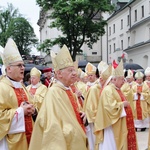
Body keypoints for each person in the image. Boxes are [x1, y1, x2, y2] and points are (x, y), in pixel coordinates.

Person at [29, 45, 88, 150]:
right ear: (59, 73)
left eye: (74, 70)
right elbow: (52, 127)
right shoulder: (54, 93)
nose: (75, 73)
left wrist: (82, 115)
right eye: (70, 70)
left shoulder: (67, 89)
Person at [0, 38, 36, 150]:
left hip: (29, 135)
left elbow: (33, 103)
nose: (23, 68)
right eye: (19, 65)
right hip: (10, 142)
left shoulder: (22, 87)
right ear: (9, 68)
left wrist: (33, 110)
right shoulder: (2, 87)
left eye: (23, 65)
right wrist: (21, 112)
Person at [94, 60, 137, 150]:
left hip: (120, 124)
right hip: (112, 126)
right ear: (114, 79)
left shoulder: (117, 89)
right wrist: (122, 105)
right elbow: (109, 108)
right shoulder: (108, 90)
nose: (123, 81)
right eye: (122, 79)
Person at [84, 63, 112, 150]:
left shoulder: (102, 88)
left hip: (101, 119)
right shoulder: (94, 89)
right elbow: (91, 108)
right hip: (95, 121)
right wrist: (99, 116)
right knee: (95, 141)